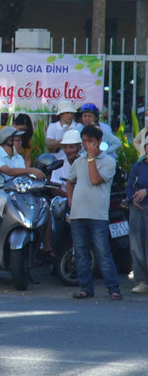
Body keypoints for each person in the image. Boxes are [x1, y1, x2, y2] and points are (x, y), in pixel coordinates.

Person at [66, 124, 121, 300]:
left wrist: (90, 158)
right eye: (84, 142)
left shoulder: (109, 162)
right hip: (78, 214)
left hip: (97, 214)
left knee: (103, 252)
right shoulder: (78, 162)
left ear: (99, 142)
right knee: (81, 253)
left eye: (90, 142)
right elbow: (70, 181)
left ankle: (113, 288)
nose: (86, 145)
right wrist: (70, 199)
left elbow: (95, 179)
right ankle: (85, 288)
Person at [0, 118, 45, 213]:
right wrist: (30, 170)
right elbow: (9, 171)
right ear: (9, 141)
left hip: (16, 195)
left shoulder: (18, 158)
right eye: (18, 140)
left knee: (41, 206)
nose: (21, 143)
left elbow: (23, 176)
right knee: (13, 206)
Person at [129, 131, 148, 293]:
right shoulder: (138, 165)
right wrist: (132, 198)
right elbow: (129, 186)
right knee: (137, 246)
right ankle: (141, 281)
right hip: (137, 209)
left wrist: (147, 191)